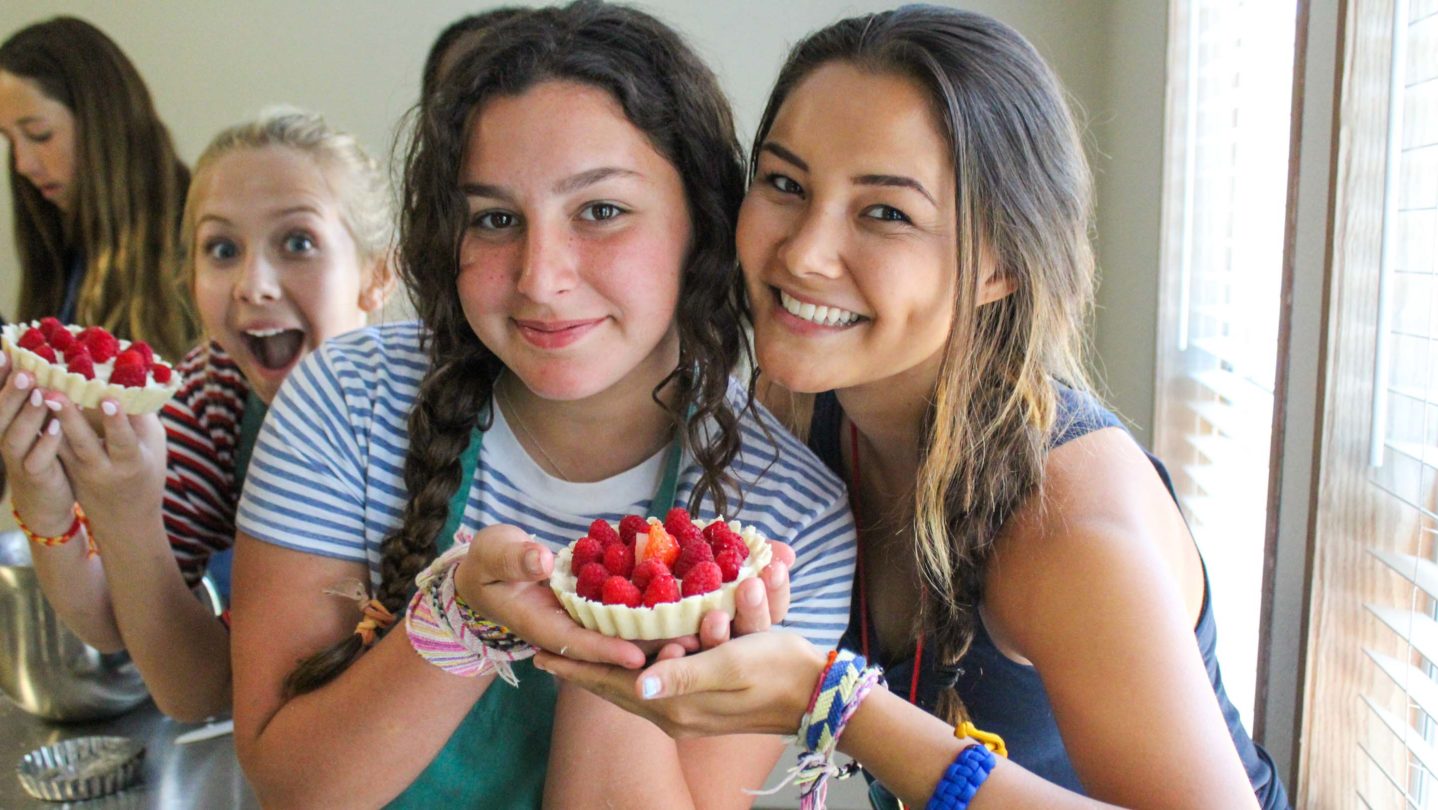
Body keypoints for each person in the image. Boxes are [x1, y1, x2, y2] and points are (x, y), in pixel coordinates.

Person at [534, 7, 1291, 810]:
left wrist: (836, 703)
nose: (803, 253)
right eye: (786, 184)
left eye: (886, 213)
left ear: (1001, 263)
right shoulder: (799, 406)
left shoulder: (1063, 525)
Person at [227, 4, 855, 808]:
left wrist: (637, 637)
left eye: (600, 211)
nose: (540, 278)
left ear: (702, 220)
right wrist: (458, 619)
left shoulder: (786, 518)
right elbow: (292, 786)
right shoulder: (346, 403)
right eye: (495, 219)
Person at [0, 108, 394, 722]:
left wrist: (125, 517)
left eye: (298, 242)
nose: (253, 284)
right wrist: (48, 499)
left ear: (377, 275)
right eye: (222, 249)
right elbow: (119, 628)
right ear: (189, 277)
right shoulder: (215, 393)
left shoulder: (414, 413)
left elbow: (202, 687)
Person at [0, 16, 197, 360]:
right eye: (9, 141)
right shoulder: (65, 246)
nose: (23, 166)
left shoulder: (196, 245)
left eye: (39, 135)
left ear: (101, 123)